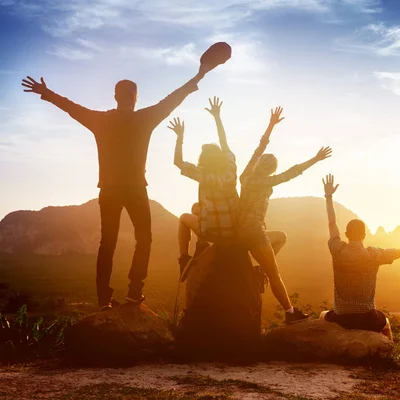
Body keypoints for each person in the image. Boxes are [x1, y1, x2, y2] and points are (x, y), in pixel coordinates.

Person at [21, 66, 210, 311]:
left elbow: (71, 108)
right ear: (135, 97)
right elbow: (174, 98)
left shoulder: (101, 120)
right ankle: (134, 292)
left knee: (107, 243)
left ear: (115, 97)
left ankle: (103, 300)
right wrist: (199, 74)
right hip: (135, 189)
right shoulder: (145, 118)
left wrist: (46, 92)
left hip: (109, 190)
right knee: (144, 239)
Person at [320, 174, 400, 339]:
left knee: (322, 315)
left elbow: (332, 223)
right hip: (367, 318)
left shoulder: (337, 249)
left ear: (346, 234)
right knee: (386, 323)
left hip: (341, 318)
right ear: (364, 234)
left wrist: (329, 196)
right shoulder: (374, 254)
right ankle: (389, 355)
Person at [238, 106, 333, 324]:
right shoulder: (268, 180)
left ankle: (260, 268)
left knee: (280, 235)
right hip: (254, 230)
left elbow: (258, 149)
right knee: (275, 274)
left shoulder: (245, 177)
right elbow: (293, 172)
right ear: (271, 170)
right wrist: (316, 159)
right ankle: (290, 312)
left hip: (240, 229)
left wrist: (271, 125)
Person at [168, 97, 238, 284]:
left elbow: (178, 162)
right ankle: (201, 246)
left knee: (184, 217)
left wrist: (180, 138)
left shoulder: (204, 175)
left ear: (203, 159)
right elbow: (225, 143)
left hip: (213, 231)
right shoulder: (231, 169)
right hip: (233, 228)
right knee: (195, 207)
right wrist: (217, 117)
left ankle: (184, 259)